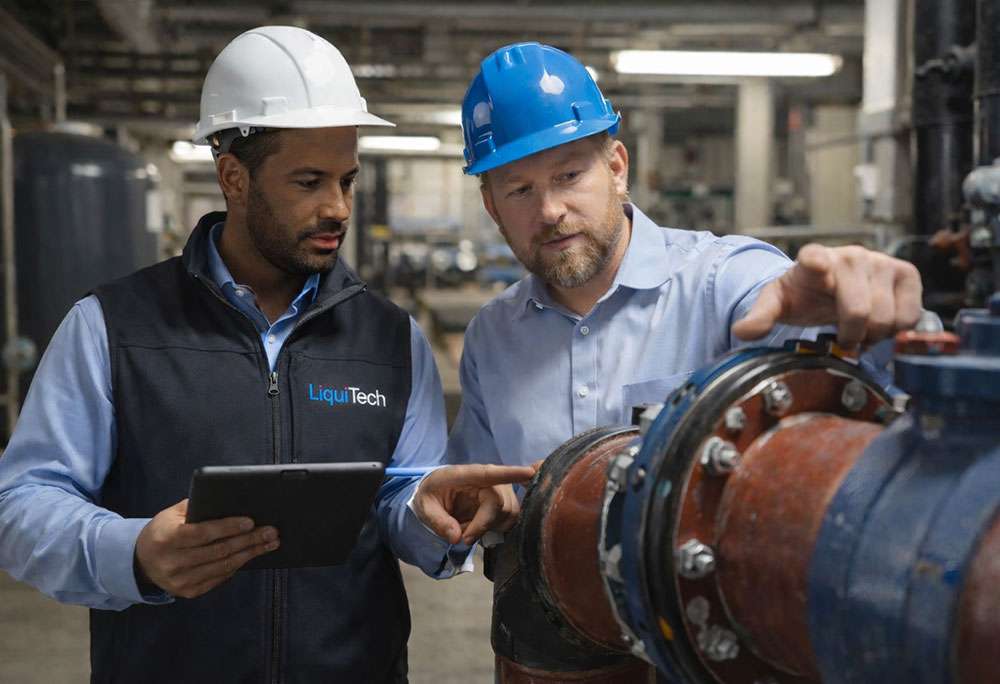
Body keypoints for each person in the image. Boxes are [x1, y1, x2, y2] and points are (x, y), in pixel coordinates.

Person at [0, 27, 532, 683]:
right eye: (308, 182)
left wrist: (432, 511)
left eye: (346, 179)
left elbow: (398, 501)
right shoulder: (112, 328)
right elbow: (23, 505)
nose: (337, 207)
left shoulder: (391, 338)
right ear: (234, 179)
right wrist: (132, 552)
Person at [447, 41, 923, 473]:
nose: (549, 211)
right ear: (492, 207)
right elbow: (473, 494)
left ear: (616, 169)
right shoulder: (492, 338)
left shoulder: (723, 284)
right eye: (520, 190)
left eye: (569, 175)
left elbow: (876, 374)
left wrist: (867, 316)